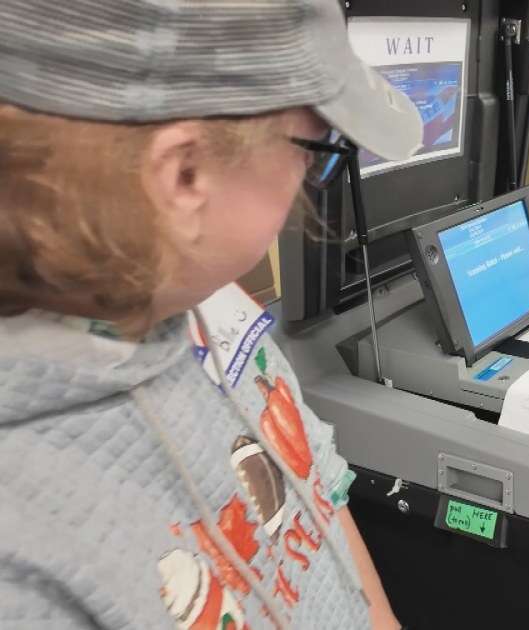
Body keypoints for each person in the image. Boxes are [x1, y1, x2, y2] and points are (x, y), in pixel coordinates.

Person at [0, 0, 424, 628]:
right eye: (317, 144)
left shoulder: (207, 305)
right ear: (184, 174)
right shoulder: (25, 574)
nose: (311, 173)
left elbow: (319, 507)